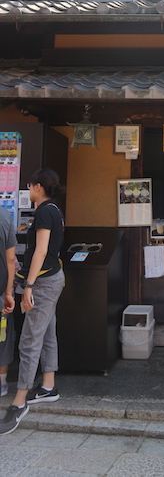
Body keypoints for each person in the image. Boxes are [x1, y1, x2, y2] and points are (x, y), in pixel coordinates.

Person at [0, 168, 65, 436]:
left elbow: (40, 250)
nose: (28, 190)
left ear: (38, 187)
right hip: (53, 277)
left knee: (29, 339)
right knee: (47, 331)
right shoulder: (55, 210)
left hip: (43, 281)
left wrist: (28, 286)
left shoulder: (43, 212)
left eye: (29, 186)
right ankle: (48, 386)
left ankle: (19, 402)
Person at [0, 207, 17, 397]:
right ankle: (2, 383)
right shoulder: (4, 216)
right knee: (2, 336)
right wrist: (8, 292)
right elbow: (10, 259)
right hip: (0, 288)